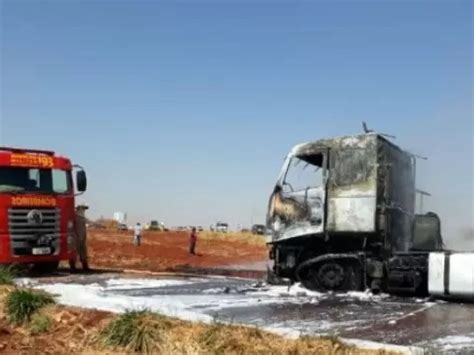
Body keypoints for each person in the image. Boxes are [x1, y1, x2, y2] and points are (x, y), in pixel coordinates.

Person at [69, 205, 90, 271]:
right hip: (76, 237)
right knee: (75, 252)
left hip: (82, 237)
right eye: (82, 209)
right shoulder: (74, 217)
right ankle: (72, 267)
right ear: (78, 209)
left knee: (83, 252)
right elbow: (72, 228)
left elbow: (86, 225)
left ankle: (85, 266)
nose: (84, 211)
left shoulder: (82, 218)